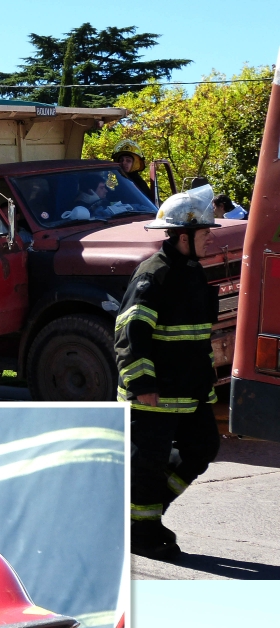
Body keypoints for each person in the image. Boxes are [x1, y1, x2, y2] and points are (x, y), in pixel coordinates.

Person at [115, 185, 222, 561]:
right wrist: (142, 384)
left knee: (204, 447)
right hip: (154, 394)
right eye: (205, 233)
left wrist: (206, 383)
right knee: (148, 464)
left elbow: (195, 337)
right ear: (182, 236)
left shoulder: (192, 272)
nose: (209, 239)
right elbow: (130, 333)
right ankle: (142, 533)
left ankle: (144, 515)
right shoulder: (153, 274)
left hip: (189, 391)